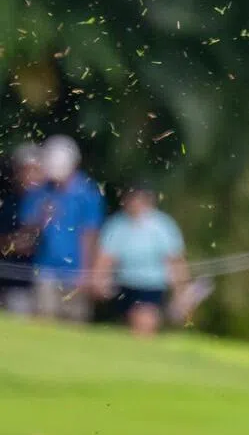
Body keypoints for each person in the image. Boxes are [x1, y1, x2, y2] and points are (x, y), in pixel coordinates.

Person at [19, 135, 104, 322]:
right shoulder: (40, 192)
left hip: (76, 270)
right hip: (45, 267)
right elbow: (27, 233)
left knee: (75, 320)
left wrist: (87, 271)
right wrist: (42, 217)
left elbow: (90, 234)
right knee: (45, 318)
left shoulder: (87, 193)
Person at [92, 183, 189, 335]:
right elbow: (105, 258)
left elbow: (175, 262)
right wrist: (99, 280)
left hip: (152, 286)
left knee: (144, 322)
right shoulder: (116, 225)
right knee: (129, 326)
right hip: (125, 284)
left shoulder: (163, 226)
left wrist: (181, 294)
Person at [0, 143, 43, 314]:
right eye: (25, 170)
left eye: (35, 170)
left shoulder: (51, 200)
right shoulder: (9, 203)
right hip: (12, 278)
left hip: (42, 279)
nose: (29, 176)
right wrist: (14, 242)